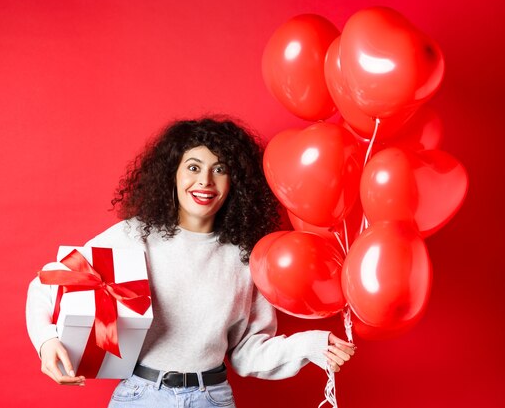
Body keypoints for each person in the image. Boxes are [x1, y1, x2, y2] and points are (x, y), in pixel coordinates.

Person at [26, 116, 355, 407]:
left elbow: (246, 353)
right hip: (140, 397)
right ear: (173, 175)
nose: (206, 181)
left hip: (211, 398)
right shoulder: (136, 235)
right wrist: (47, 341)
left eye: (220, 169)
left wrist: (310, 345)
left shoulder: (247, 255)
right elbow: (48, 283)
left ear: (235, 183)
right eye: (194, 167)